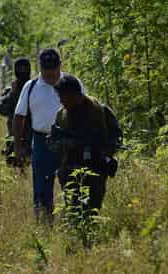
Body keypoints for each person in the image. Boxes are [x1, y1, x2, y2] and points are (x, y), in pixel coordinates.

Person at [13, 48, 81, 222]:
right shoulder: (31, 87)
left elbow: (87, 109)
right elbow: (19, 116)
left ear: (60, 66)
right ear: (40, 68)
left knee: (73, 183)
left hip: (69, 142)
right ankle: (44, 223)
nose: (50, 73)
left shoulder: (73, 83)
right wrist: (18, 147)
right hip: (42, 142)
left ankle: (74, 220)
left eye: (54, 69)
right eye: (46, 70)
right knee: (42, 186)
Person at [51, 74, 120, 213]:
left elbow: (116, 136)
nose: (62, 101)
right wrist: (67, 144)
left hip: (96, 169)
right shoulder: (61, 116)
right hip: (71, 169)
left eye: (64, 97)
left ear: (76, 94)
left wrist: (106, 151)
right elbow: (53, 143)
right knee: (73, 210)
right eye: (61, 98)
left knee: (92, 211)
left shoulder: (99, 110)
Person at [0, 57, 32, 136]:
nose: (22, 71)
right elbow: (2, 111)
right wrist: (12, 93)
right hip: (14, 133)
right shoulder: (9, 91)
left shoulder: (35, 88)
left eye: (25, 68)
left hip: (32, 134)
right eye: (20, 69)